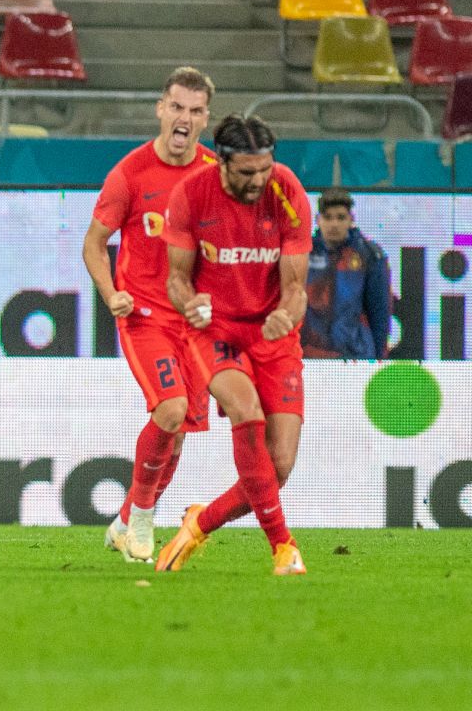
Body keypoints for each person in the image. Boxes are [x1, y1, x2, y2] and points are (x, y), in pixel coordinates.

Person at [156, 114, 311, 576]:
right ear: (222, 163)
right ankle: (283, 547)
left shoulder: (288, 192)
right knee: (247, 413)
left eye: (264, 169)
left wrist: (286, 314)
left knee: (278, 467)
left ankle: (199, 524)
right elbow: (177, 280)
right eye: (246, 172)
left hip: (272, 334)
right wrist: (191, 305)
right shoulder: (191, 194)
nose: (258, 180)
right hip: (215, 330)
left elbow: (297, 287)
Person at [83, 66, 216, 563]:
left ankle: (122, 521)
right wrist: (109, 290)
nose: (184, 118)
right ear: (161, 109)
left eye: (195, 111)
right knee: (171, 409)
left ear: (205, 118)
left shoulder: (214, 174)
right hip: (143, 315)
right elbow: (94, 244)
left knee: (177, 435)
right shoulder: (130, 173)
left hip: (195, 323)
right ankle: (141, 517)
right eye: (177, 107)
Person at [302, 187, 391, 359]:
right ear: (318, 220)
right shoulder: (303, 254)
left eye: (341, 217)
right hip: (310, 355)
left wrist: (378, 358)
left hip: (355, 357)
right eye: (328, 217)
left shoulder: (369, 255)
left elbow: (379, 312)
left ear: (351, 220)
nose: (334, 224)